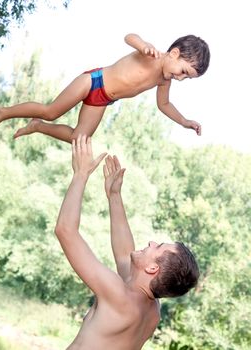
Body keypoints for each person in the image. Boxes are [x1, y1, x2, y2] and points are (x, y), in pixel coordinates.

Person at [55, 134, 199, 349]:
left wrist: (80, 174)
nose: (151, 242)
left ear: (152, 268)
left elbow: (65, 231)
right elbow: (124, 255)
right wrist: (114, 196)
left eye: (157, 247)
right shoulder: (151, 312)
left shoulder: (118, 296)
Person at [0, 33, 210, 141]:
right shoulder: (152, 55)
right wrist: (143, 45)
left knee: (78, 139)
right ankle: (3, 112)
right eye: (184, 72)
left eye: (187, 78)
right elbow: (129, 37)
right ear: (174, 53)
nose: (180, 79)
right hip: (94, 81)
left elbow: (164, 104)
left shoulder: (164, 80)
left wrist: (184, 122)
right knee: (52, 111)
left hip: (102, 100)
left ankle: (38, 127)